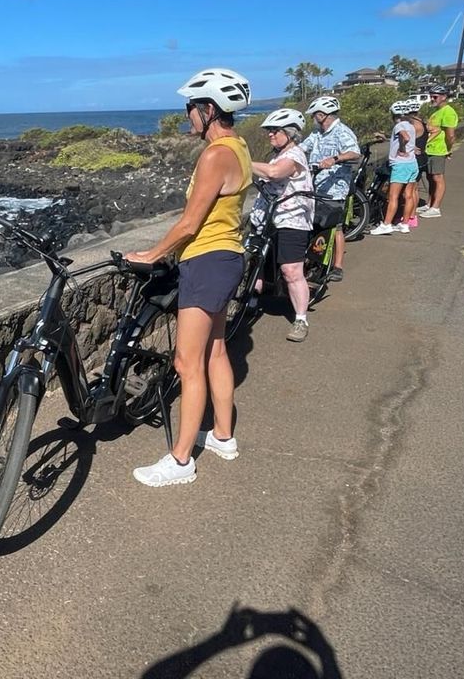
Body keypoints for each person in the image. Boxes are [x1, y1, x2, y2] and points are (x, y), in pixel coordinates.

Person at [127, 68, 252, 487]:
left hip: (206, 261)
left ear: (209, 109)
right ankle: (222, 436)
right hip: (227, 257)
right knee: (216, 352)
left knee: (186, 361)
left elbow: (189, 223)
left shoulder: (216, 155)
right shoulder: (240, 147)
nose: (187, 116)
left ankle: (181, 461)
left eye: (191, 109)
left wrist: (151, 253)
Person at [249, 108, 314, 342]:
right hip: (267, 218)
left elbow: (275, 173)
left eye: (275, 131)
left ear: (290, 133)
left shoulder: (295, 155)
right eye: (269, 131)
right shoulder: (276, 154)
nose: (270, 135)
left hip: (292, 220)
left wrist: (241, 159)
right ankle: (251, 302)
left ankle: (300, 319)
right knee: (256, 261)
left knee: (291, 271)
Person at [302, 96, 360, 281]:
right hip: (314, 185)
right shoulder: (318, 133)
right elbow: (304, 147)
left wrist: (334, 159)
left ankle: (337, 266)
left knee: (336, 227)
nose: (313, 118)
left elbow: (355, 152)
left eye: (314, 115)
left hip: (334, 188)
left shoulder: (342, 132)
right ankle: (311, 258)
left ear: (322, 114)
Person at [370, 101, 419, 235]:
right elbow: (402, 139)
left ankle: (386, 224)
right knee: (408, 195)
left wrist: (402, 149)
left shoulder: (400, 125)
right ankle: (404, 224)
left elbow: (405, 137)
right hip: (412, 163)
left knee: (393, 196)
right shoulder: (410, 125)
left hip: (400, 164)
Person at [420, 84, 458, 217]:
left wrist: (448, 149)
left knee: (438, 178)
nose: (432, 99)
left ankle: (436, 208)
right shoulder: (436, 112)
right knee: (430, 178)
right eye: (431, 96)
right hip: (430, 149)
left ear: (444, 97)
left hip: (438, 150)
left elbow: (450, 135)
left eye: (435, 96)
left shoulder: (448, 112)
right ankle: (430, 204)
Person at [403, 98, 428, 227]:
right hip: (422, 157)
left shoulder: (413, 125)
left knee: (411, 190)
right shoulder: (421, 122)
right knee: (415, 189)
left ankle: (411, 217)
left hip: (416, 159)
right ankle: (413, 216)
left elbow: (404, 139)